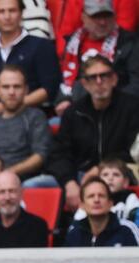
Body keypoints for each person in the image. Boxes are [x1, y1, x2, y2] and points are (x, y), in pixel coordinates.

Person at [48, 56, 139, 211]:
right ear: (84, 84)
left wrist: (100, 169)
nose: (99, 82)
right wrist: (69, 183)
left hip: (119, 173)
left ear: (114, 79)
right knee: (33, 186)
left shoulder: (132, 107)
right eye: (92, 78)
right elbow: (60, 154)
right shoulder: (73, 112)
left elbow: (132, 150)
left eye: (104, 76)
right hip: (79, 175)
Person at [0, 0, 61, 116]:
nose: (7, 16)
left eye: (12, 10)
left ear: (21, 14)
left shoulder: (41, 46)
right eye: (1, 11)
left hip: (28, 117)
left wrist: (6, 106)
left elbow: (49, 88)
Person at [55, 0, 139, 108]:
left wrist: (110, 103)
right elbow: (65, 80)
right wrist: (63, 100)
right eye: (96, 17)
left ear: (114, 17)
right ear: (84, 17)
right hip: (78, 108)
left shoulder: (129, 43)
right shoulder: (73, 43)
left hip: (118, 108)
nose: (102, 22)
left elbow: (136, 83)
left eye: (107, 16)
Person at [64, 177, 139, 246]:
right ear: (82, 205)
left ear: (110, 203)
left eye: (101, 195)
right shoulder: (74, 234)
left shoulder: (126, 230)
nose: (96, 200)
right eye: (91, 196)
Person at [50, 0, 137, 56]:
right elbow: (66, 32)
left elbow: (125, 35)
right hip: (78, 56)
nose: (102, 22)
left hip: (115, 55)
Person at [72, 159, 139, 222]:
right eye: (105, 175)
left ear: (125, 182)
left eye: (116, 174)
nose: (110, 178)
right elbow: (77, 223)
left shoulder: (129, 197)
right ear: (98, 181)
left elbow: (137, 219)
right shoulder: (92, 198)